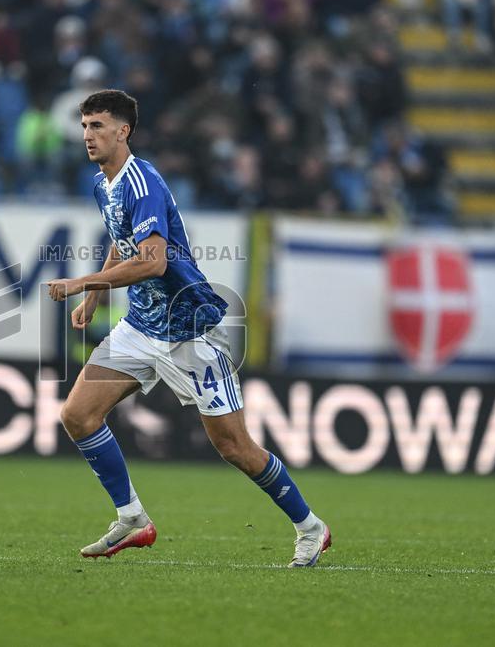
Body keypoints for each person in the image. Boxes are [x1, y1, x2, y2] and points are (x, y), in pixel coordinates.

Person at [45, 90, 331, 566]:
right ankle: (133, 518)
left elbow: (154, 263)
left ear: (123, 131)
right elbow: (124, 241)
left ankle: (310, 526)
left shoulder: (143, 182)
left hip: (187, 332)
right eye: (84, 126)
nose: (87, 135)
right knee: (77, 415)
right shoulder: (104, 184)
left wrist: (80, 283)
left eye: (97, 126)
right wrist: (97, 295)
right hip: (140, 327)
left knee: (235, 446)